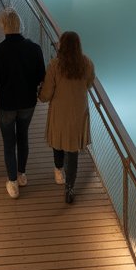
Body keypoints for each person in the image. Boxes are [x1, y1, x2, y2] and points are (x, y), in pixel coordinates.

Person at [0, 7, 45, 199]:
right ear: (20, 25)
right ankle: (21, 174)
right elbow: (41, 76)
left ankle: (12, 183)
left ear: (3, 26)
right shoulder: (35, 49)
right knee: (23, 137)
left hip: (6, 104)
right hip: (28, 102)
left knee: (8, 143)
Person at [39, 30, 94, 205]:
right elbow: (89, 83)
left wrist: (41, 96)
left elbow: (47, 93)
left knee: (58, 140)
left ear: (61, 46)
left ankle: (58, 171)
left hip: (59, 112)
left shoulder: (55, 65)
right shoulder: (86, 63)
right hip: (78, 112)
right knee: (72, 150)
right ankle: (69, 187)